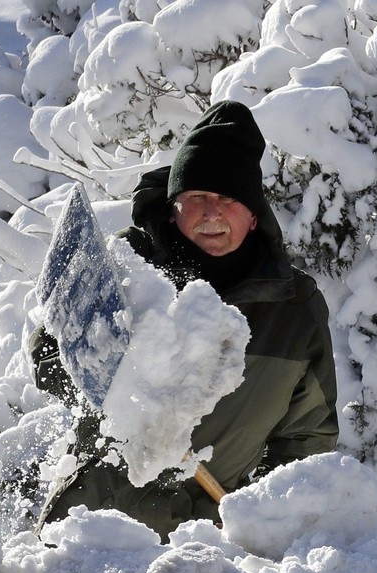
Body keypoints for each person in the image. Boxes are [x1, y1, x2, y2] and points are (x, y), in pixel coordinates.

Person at [32, 100, 339, 538]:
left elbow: (307, 439)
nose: (212, 212)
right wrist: (127, 399)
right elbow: (49, 352)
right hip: (90, 521)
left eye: (228, 198)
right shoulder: (127, 265)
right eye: (197, 197)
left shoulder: (293, 307)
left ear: (253, 216)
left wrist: (261, 517)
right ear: (175, 205)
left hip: (201, 544)